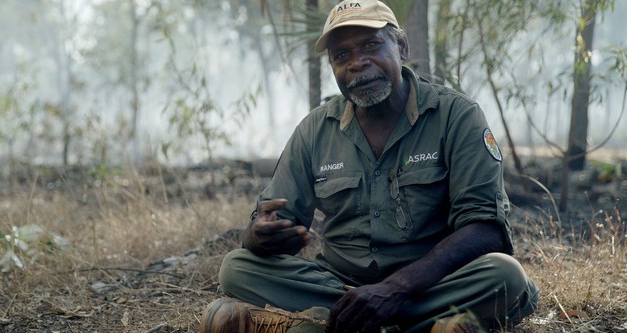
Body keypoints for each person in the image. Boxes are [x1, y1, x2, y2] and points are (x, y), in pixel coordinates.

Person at [199, 0, 539, 332]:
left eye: (371, 45)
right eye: (341, 55)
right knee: (236, 267)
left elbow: (486, 229)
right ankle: (407, 321)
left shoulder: (456, 116)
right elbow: (272, 221)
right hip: (341, 284)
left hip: (429, 282)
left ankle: (322, 323)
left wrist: (395, 289)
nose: (357, 63)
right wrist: (259, 235)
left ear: (401, 46)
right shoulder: (316, 130)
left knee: (504, 275)